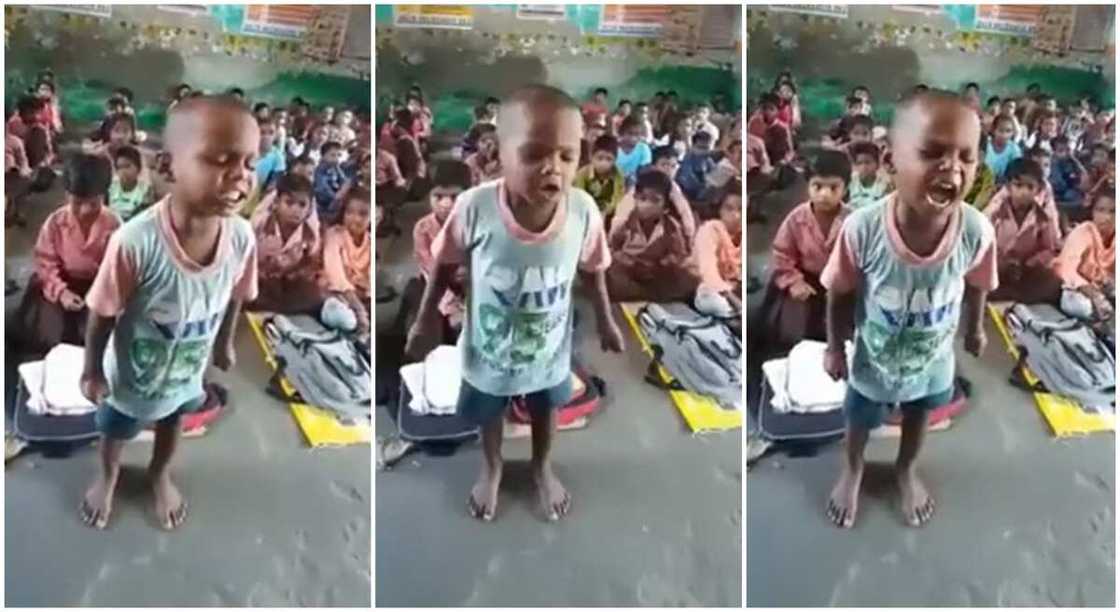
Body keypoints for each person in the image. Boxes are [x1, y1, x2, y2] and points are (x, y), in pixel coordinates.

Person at [406, 85, 625, 522]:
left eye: (566, 156)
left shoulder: (582, 210)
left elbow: (594, 266)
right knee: (490, 405)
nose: (554, 169)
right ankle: (493, 465)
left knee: (546, 405)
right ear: (499, 156)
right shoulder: (475, 206)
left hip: (548, 341)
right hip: (489, 341)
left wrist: (606, 319)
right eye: (534, 155)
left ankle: (542, 465)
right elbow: (445, 263)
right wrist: (424, 319)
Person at [78, 97, 259, 530]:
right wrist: (92, 372)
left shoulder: (242, 238)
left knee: (173, 421)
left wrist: (225, 341)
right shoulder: (135, 242)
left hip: (186, 371)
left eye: (250, 163)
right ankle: (109, 474)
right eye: (220, 159)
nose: (240, 176)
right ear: (167, 166)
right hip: (128, 374)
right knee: (115, 429)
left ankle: (160, 473)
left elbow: (236, 294)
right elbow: (101, 313)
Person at [820, 92, 997, 529]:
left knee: (920, 413)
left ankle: (905, 468)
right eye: (931, 153)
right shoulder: (862, 229)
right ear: (889, 159)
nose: (952, 169)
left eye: (966, 157)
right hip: (873, 354)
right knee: (858, 417)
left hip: (933, 356)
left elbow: (978, 284)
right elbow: (838, 292)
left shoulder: (976, 230)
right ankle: (854, 468)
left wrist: (975, 330)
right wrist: (833, 348)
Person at [16, 153, 120, 356]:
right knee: (51, 339)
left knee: (94, 338)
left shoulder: (114, 225)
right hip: (60, 283)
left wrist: (97, 297)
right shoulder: (55, 222)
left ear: (104, 195)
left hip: (99, 287)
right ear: (66, 195)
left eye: (93, 203)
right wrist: (62, 292)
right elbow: (45, 264)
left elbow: (115, 271)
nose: (84, 210)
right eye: (77, 202)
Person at [758, 151, 851, 349]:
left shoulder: (853, 220)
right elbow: (782, 254)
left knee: (846, 332)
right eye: (817, 186)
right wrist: (794, 282)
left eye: (834, 187)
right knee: (791, 333)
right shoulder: (796, 218)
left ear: (845, 189)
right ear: (807, 186)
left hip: (842, 282)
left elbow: (859, 258)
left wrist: (844, 286)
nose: (824, 194)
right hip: (806, 279)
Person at [605, 168, 697, 302]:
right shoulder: (625, 223)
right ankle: (645, 294)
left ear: (665, 207)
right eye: (642, 199)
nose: (647, 205)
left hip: (657, 271)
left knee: (689, 280)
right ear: (635, 199)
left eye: (655, 200)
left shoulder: (672, 227)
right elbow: (614, 249)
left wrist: (661, 265)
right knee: (610, 277)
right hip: (628, 269)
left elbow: (678, 254)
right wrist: (629, 263)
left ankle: (644, 293)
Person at [984, 158, 1062, 303]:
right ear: (1008, 187)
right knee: (976, 278)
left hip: (1026, 268)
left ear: (1038, 190)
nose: (1024, 192)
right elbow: (982, 242)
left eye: (1030, 187)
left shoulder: (1044, 216)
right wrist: (1002, 261)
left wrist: (1031, 262)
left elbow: (1050, 248)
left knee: (1052, 282)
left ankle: (1010, 294)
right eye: (1018, 185)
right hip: (996, 265)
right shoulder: (995, 211)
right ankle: (1005, 293)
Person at [249, 173, 325, 314]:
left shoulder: (309, 235)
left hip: (288, 283)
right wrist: (259, 254)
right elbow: (243, 259)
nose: (296, 209)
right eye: (289, 202)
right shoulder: (261, 224)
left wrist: (294, 267)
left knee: (313, 295)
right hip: (259, 279)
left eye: (302, 205)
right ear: (276, 203)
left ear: (309, 210)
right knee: (248, 294)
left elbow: (312, 265)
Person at [412, 160, 471, 336]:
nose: (446, 204)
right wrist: (452, 307)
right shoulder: (422, 229)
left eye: (454, 197)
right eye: (438, 197)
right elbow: (429, 270)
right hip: (437, 286)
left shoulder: (478, 222)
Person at [1053, 189, 1115, 322]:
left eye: (1113, 212)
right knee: (1085, 307)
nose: (1106, 217)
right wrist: (1093, 294)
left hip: (1104, 289)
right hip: (1076, 290)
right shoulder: (1082, 232)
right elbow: (1066, 269)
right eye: (1100, 210)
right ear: (1092, 212)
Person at [322, 185, 371, 338]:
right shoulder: (334, 235)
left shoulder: (371, 242)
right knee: (346, 319)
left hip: (360, 297)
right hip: (334, 293)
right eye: (349, 212)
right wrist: (358, 308)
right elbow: (335, 274)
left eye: (363, 214)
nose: (355, 219)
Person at [693, 180, 742, 319]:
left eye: (741, 209)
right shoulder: (709, 230)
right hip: (709, 290)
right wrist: (735, 302)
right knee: (715, 301)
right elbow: (708, 273)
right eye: (729, 208)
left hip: (734, 288)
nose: (736, 216)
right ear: (719, 209)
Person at [573, 134, 625, 217]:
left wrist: (606, 211)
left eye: (609, 159)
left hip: (607, 209)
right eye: (600, 158)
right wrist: (591, 211)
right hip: (586, 208)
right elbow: (579, 195)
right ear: (592, 157)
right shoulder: (582, 174)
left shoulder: (618, 174)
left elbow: (617, 197)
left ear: (615, 160)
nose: (603, 163)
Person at [108, 145, 152, 221]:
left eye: (127, 166)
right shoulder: (110, 188)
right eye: (119, 168)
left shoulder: (146, 190)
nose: (123, 172)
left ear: (138, 168)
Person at [847, 142, 890, 209]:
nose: (864, 167)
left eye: (868, 162)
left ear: (877, 164)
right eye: (859, 163)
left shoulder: (885, 184)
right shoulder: (850, 182)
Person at [676, 130, 715, 203]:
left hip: (703, 196)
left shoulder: (708, 160)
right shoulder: (687, 159)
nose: (703, 151)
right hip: (686, 194)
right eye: (700, 148)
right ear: (693, 147)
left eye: (706, 148)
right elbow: (687, 182)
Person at [314, 141, 348, 219]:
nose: (336, 159)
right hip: (323, 204)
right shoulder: (319, 171)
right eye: (332, 155)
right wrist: (336, 197)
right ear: (323, 156)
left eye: (338, 155)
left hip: (336, 200)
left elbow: (344, 181)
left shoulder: (336, 168)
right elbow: (323, 189)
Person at [985, 114, 1023, 181]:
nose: (1004, 135)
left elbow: (1016, 171)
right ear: (993, 130)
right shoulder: (985, 145)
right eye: (1001, 130)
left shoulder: (1014, 149)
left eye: (1008, 131)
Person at [615, 116, 652, 183]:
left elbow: (644, 172)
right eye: (630, 133)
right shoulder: (613, 147)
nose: (633, 138)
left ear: (642, 134)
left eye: (637, 134)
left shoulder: (643, 149)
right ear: (622, 132)